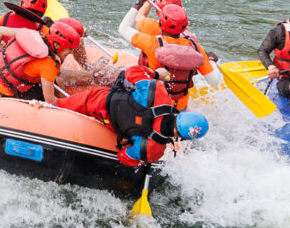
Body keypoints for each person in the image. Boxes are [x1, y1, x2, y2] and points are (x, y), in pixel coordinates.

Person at [58, 67, 209, 169]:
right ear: (183, 137)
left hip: (99, 101)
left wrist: (156, 74)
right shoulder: (155, 150)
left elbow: (131, 71)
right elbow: (124, 158)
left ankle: (45, 104)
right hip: (110, 127)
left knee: (57, 106)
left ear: (181, 115)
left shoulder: (159, 93)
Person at [122, 0, 214, 110]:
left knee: (123, 78)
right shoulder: (197, 47)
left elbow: (123, 29)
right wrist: (211, 60)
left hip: (153, 103)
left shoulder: (152, 44)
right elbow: (214, 81)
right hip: (180, 107)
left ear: (160, 23)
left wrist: (138, 3)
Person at [0, 17, 86, 103]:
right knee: (54, 84)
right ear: (57, 45)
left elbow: (0, 30)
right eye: (69, 49)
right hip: (2, 92)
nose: (71, 52)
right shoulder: (48, 64)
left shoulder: (31, 33)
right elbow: (50, 101)